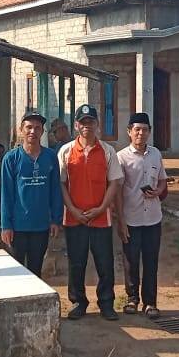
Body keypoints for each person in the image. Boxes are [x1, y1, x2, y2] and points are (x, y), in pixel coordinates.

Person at [59, 104, 124, 321]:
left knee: (104, 262)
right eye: (83, 122)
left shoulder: (107, 151)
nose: (87, 126)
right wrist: (73, 210)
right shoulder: (66, 151)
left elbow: (114, 183)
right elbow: (62, 185)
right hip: (73, 218)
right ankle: (78, 302)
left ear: (97, 125)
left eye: (91, 122)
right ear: (76, 125)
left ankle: (106, 303)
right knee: (76, 262)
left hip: (101, 218)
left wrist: (101, 208)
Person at [116, 112, 168, 319]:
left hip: (153, 217)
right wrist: (120, 220)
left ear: (149, 132)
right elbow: (117, 190)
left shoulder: (156, 154)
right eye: (136, 129)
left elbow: (163, 180)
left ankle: (150, 302)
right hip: (131, 217)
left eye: (144, 130)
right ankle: (132, 299)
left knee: (151, 261)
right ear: (129, 132)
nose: (140, 133)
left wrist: (158, 190)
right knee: (130, 260)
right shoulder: (121, 157)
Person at [0, 112, 63, 277]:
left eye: (37, 128)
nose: (32, 131)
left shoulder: (50, 157)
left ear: (42, 132)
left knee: (36, 270)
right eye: (28, 127)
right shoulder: (11, 159)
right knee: (17, 272)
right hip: (17, 227)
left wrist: (56, 219)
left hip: (41, 226)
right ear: (21, 130)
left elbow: (55, 190)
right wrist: (6, 225)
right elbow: (6, 194)